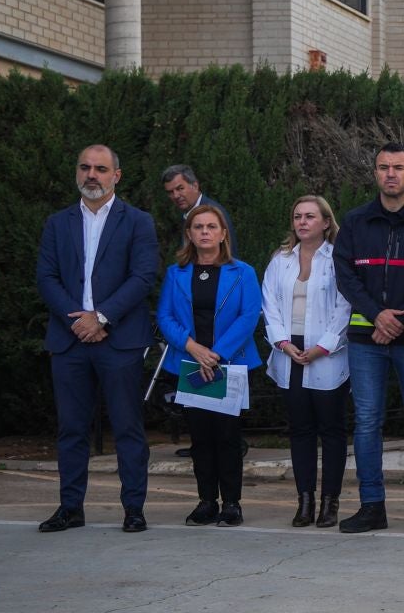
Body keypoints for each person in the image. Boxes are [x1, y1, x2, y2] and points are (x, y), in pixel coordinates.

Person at [36, 145, 159, 534]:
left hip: (118, 339)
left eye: (101, 169)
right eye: (85, 167)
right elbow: (46, 278)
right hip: (70, 339)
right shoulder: (58, 223)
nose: (92, 175)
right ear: (77, 172)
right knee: (71, 429)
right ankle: (71, 507)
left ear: (116, 176)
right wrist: (78, 320)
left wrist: (101, 317)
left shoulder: (138, 221)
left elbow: (142, 277)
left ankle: (133, 509)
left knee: (127, 428)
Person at [333, 142, 404, 535]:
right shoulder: (355, 222)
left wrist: (400, 319)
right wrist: (376, 315)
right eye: (384, 167)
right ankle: (371, 507)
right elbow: (345, 274)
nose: (391, 174)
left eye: (399, 167)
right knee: (366, 422)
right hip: (366, 337)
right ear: (375, 173)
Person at [156, 203, 261, 526]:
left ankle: (231, 503)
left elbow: (248, 316)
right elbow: (165, 316)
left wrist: (215, 355)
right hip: (190, 365)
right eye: (198, 227)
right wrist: (193, 349)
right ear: (189, 234)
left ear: (223, 233)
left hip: (227, 365)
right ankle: (206, 501)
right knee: (200, 439)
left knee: (227, 437)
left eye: (211, 227)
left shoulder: (242, 272)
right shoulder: (176, 274)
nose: (204, 232)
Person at [260, 194, 352, 528]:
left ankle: (330, 502)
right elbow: (268, 303)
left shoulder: (337, 259)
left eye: (310, 216)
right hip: (289, 352)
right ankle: (304, 502)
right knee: (300, 431)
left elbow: (346, 306)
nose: (302, 222)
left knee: (331, 430)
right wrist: (282, 342)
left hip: (326, 353)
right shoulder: (280, 259)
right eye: (297, 216)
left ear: (326, 222)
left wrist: (323, 347)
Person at [160, 164, 235, 253]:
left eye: (180, 188)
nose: (175, 196)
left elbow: (226, 255)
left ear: (195, 186)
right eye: (170, 192)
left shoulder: (213, 213)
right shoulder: (188, 213)